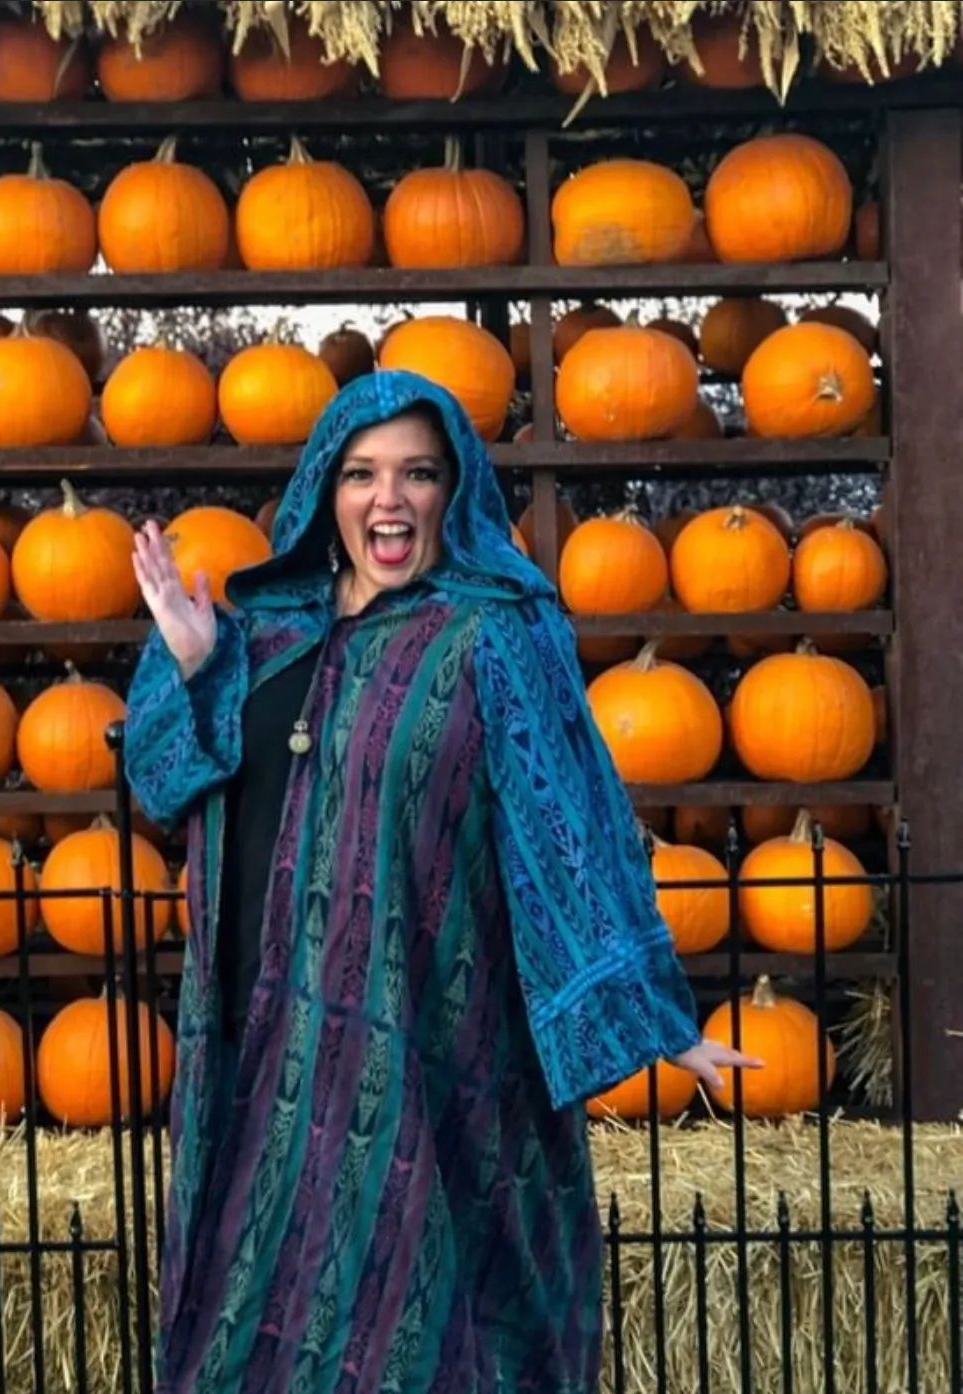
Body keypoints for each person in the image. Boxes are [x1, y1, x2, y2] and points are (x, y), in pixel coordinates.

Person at [124, 369, 758, 1394]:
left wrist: (650, 1011)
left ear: (452, 490)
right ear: (326, 490)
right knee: (258, 1309)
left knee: (425, 1305)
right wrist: (201, 670)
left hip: (428, 1032)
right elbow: (163, 777)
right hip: (262, 1037)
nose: (388, 498)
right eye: (363, 472)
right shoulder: (263, 632)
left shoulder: (496, 635)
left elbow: (568, 820)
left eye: (418, 473)